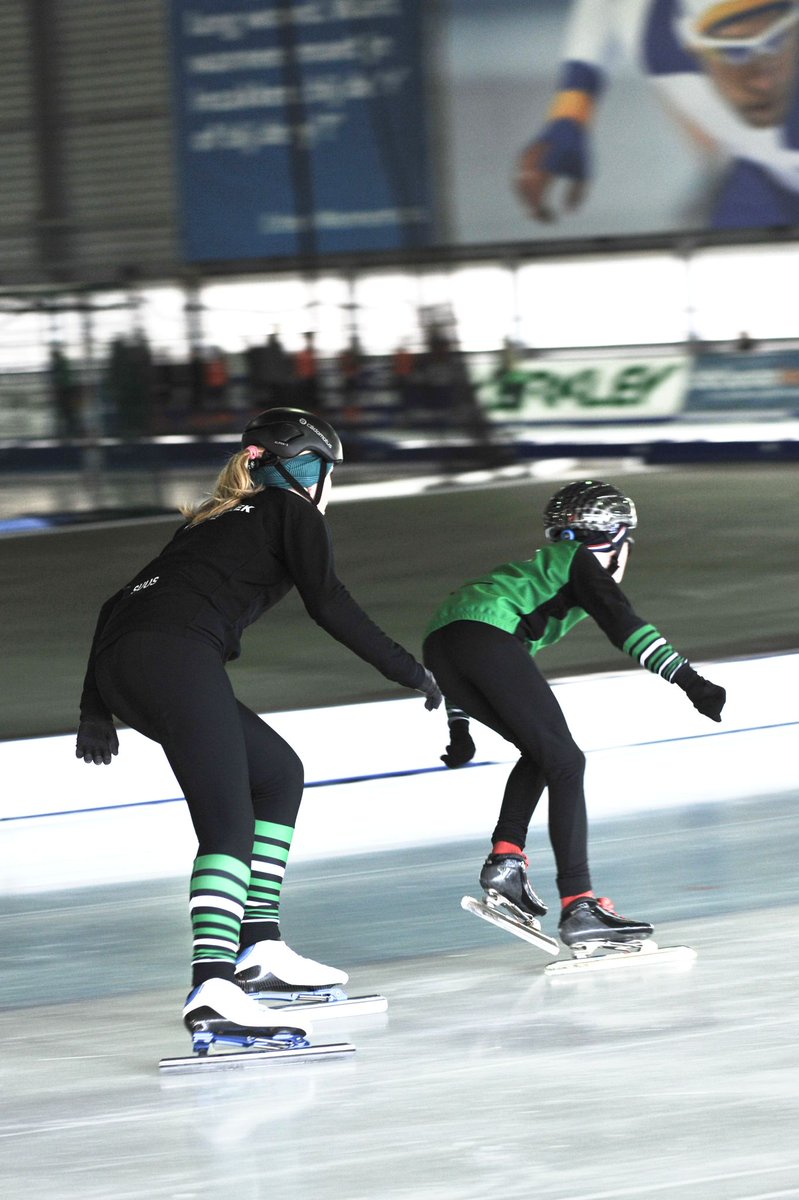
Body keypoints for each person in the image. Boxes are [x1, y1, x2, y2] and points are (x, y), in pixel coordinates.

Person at [76, 406, 442, 1047]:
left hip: (127, 666)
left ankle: (260, 951)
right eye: (318, 466)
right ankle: (213, 985)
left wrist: (94, 707)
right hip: (174, 658)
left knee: (276, 774)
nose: (321, 479)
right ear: (304, 469)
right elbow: (328, 602)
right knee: (228, 823)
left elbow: (117, 602)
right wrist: (411, 670)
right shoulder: (290, 509)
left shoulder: (207, 520)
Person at [422, 480, 726, 950]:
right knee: (567, 761)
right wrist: (691, 682)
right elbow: (624, 625)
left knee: (544, 754)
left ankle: (507, 862)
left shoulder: (537, 571)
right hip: (482, 639)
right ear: (616, 539)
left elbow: (461, 636)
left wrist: (459, 727)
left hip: (444, 645)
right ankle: (579, 906)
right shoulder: (580, 563)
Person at [516, 0, 799, 230]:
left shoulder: (660, 39)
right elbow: (606, 10)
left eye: (777, 42)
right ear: (692, 49)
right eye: (735, 53)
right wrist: (570, 115)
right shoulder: (654, 34)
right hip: (767, 180)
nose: (762, 80)